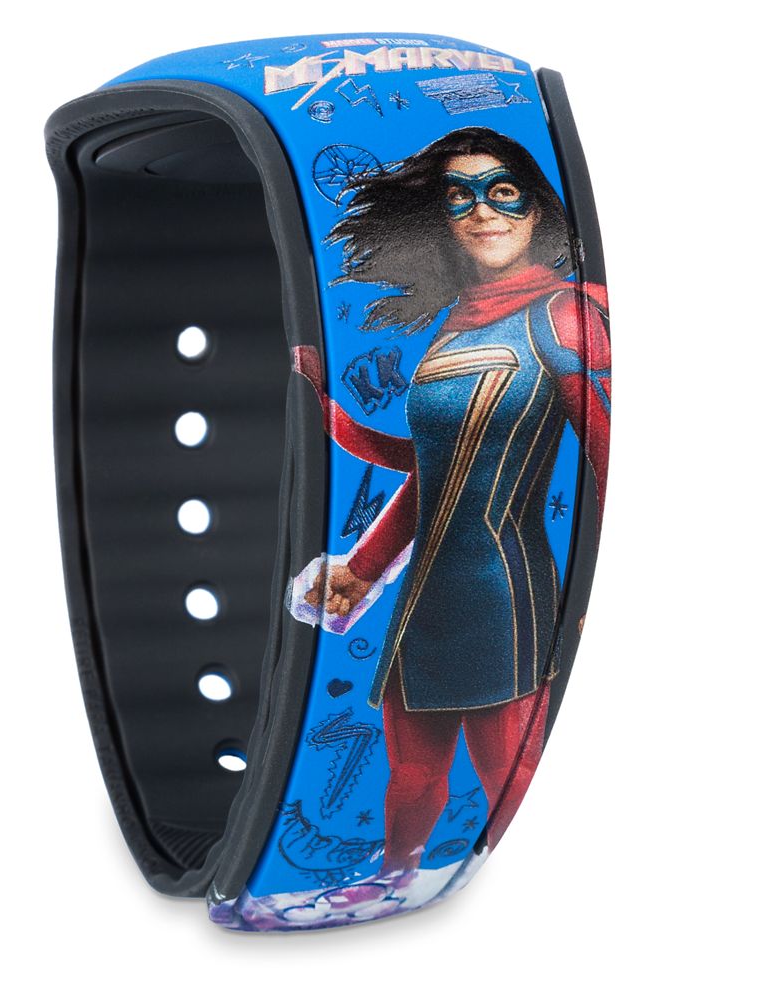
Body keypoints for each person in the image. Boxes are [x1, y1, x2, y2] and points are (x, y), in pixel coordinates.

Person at [294, 126, 610, 878]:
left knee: (508, 769)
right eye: (459, 197)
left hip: (506, 591)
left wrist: (601, 596)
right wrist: (362, 569)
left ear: (538, 209)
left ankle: (522, 890)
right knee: (411, 771)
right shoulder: (456, 328)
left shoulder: (564, 315)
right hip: (427, 594)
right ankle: (392, 878)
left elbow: (612, 457)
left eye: (503, 191)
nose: (483, 210)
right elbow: (435, 469)